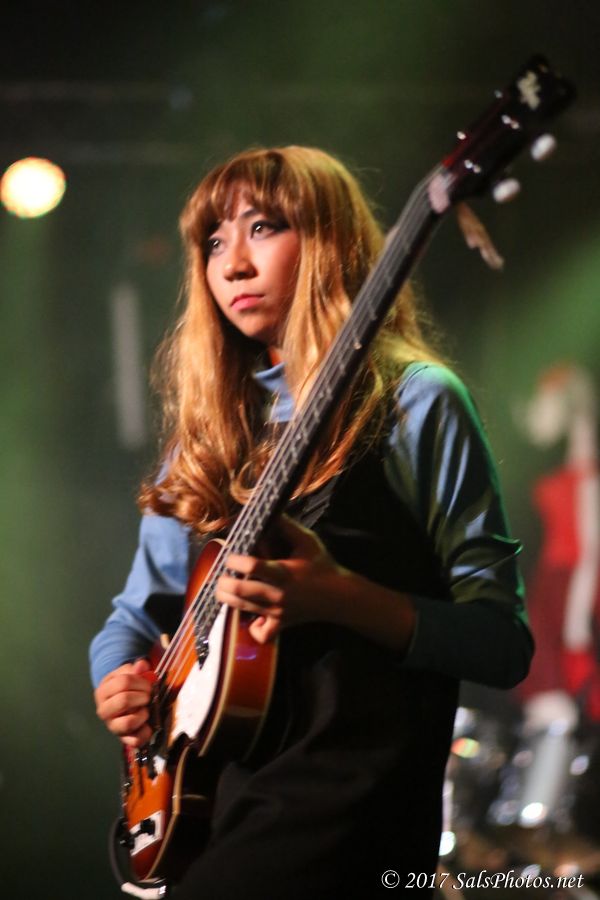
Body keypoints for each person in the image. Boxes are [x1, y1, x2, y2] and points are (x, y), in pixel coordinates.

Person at [90, 146, 533, 899]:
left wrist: (340, 597)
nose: (233, 264)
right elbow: (132, 619)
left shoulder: (415, 400)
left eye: (263, 227)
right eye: (214, 242)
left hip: (357, 820)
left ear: (330, 240)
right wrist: (117, 681)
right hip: (220, 805)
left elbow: (502, 643)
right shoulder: (204, 440)